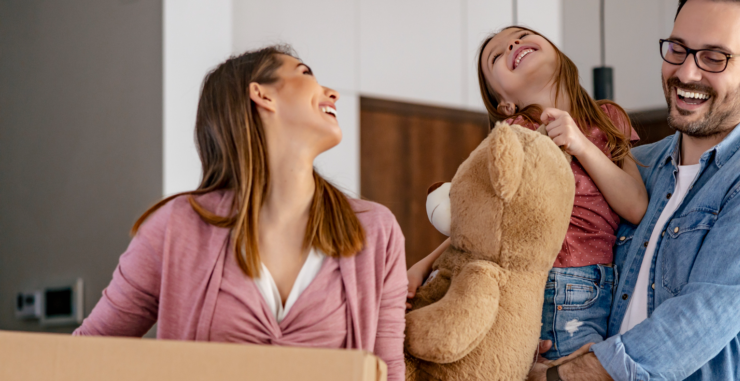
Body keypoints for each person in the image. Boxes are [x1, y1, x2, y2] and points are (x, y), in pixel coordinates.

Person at [73, 46, 407, 380]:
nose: (331, 93)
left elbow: (388, 371)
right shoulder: (175, 228)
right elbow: (84, 357)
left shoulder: (376, 232)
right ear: (262, 95)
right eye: (305, 73)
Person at [530, 0, 740, 380]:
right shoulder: (634, 168)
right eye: (677, 50)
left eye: (714, 57)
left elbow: (695, 323)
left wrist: (559, 377)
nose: (686, 72)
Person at [406, 26, 649, 360]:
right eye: (497, 55)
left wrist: (579, 142)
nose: (513, 45)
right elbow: (485, 224)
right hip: (544, 282)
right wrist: (424, 264)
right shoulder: (513, 136)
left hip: (605, 286)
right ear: (505, 103)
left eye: (520, 36)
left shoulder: (609, 118)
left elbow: (636, 206)